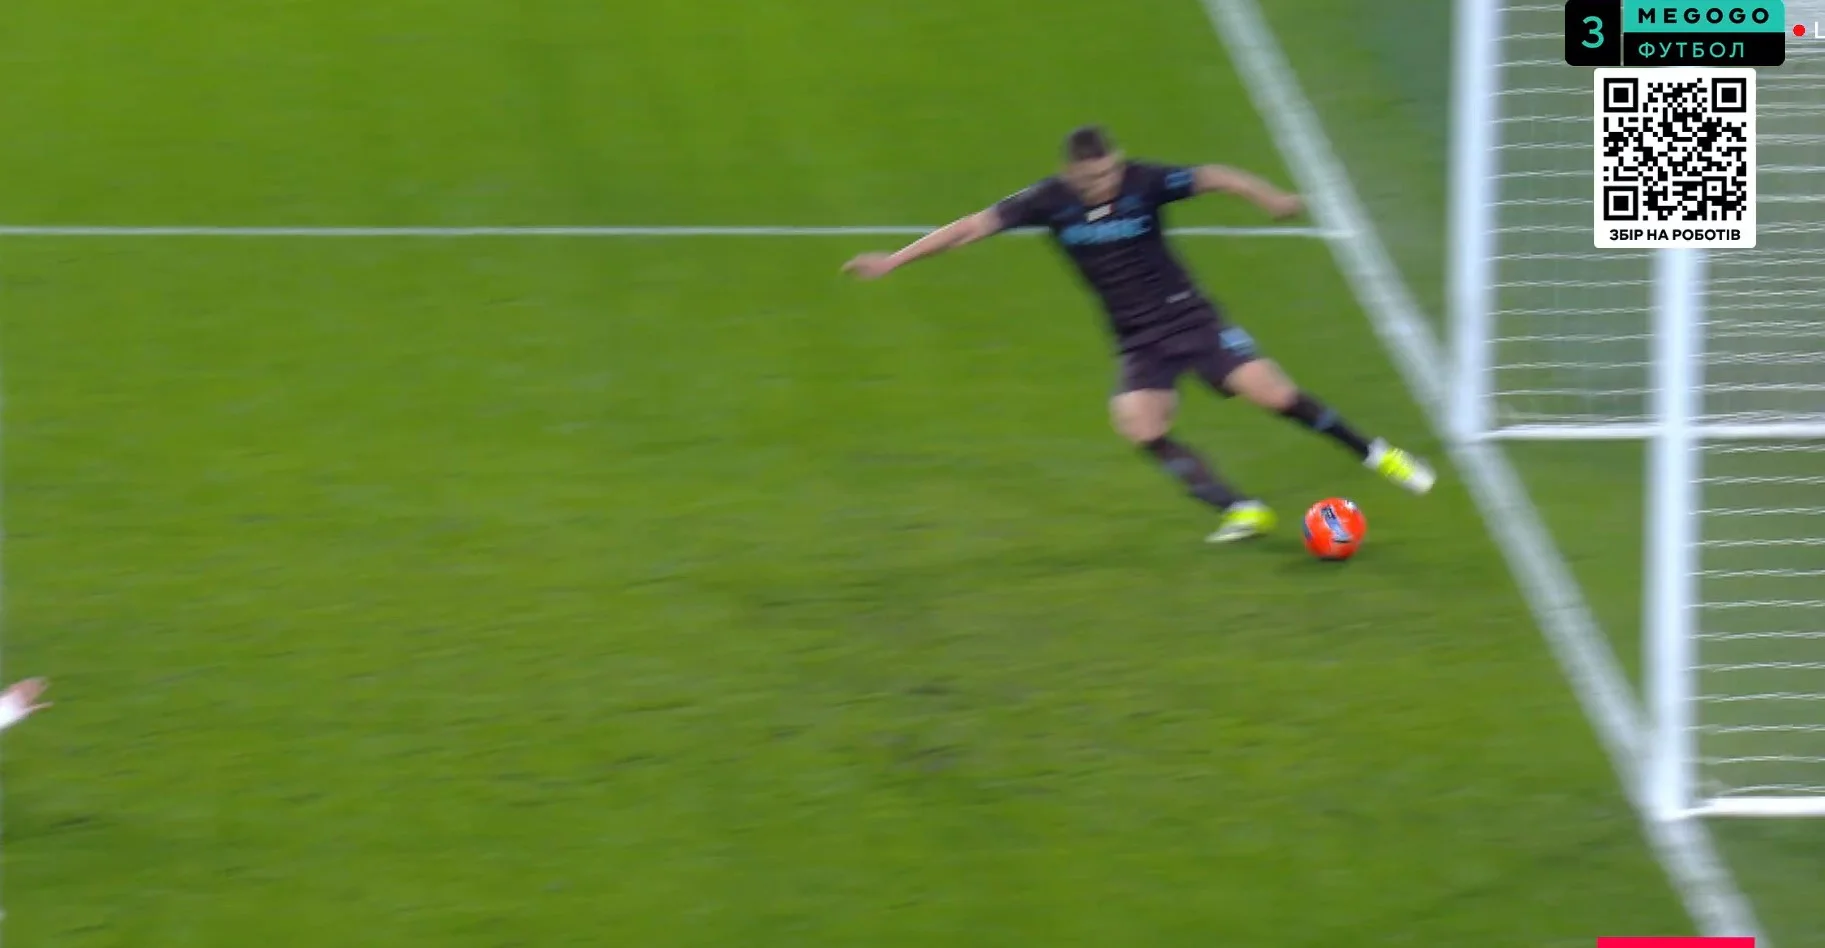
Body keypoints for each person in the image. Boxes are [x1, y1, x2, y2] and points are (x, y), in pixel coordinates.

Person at [842, 125, 1435, 543]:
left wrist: (1269, 196)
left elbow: (1214, 176)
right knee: (1139, 425)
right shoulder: (1048, 200)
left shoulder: (1145, 181)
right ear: (1070, 173)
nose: (1102, 183)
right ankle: (1241, 509)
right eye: (1091, 177)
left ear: (1118, 161)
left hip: (1191, 319)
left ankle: (1379, 455)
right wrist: (894, 261)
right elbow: (970, 228)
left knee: (1275, 395)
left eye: (1108, 172)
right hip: (1138, 339)